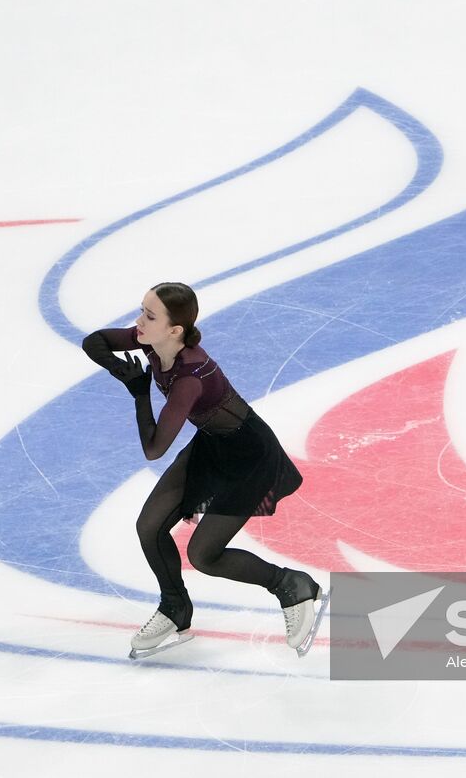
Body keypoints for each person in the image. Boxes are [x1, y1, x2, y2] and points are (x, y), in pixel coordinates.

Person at [81, 282, 325, 658]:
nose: (138, 322)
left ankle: (291, 585)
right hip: (212, 445)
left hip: (250, 457)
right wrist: (120, 369)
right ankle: (174, 605)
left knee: (204, 555)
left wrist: (139, 392)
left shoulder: (190, 378)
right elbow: (94, 342)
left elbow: (155, 447)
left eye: (149, 316)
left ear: (175, 330)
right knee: (149, 525)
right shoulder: (151, 341)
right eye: (141, 311)